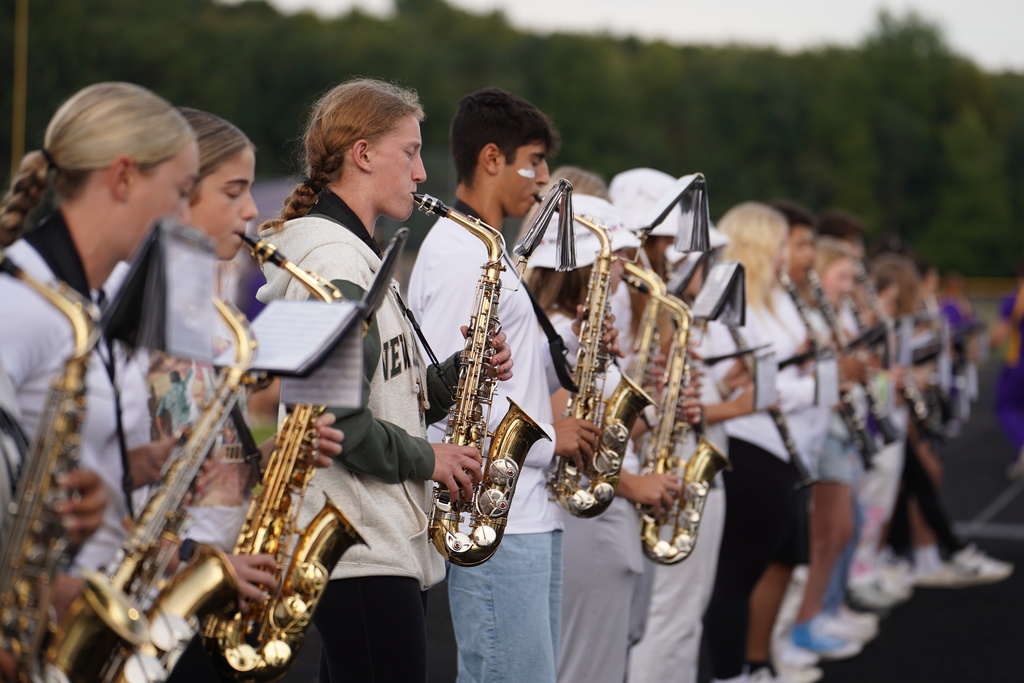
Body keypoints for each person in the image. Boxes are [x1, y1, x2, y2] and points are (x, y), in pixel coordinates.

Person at [254, 78, 510, 683]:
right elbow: (332, 419)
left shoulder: (350, 254)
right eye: (410, 152)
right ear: (362, 154)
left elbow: (386, 394)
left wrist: (457, 375)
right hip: (360, 543)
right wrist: (431, 457)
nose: (422, 173)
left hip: (370, 541)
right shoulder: (336, 263)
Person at [0, 82, 197, 679]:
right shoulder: (23, 303)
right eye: (182, 192)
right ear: (122, 178)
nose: (186, 218)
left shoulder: (77, 306)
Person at [408, 88, 600, 683]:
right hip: (493, 513)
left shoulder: (488, 249)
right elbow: (442, 401)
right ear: (492, 158)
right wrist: (547, 438)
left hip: (523, 507)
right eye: (535, 160)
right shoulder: (464, 254)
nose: (543, 179)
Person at [701, 203, 819, 683]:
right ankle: (733, 672)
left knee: (777, 562)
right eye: (778, 246)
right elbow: (747, 384)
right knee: (736, 576)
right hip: (747, 446)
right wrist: (817, 386)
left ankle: (757, 664)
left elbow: (767, 374)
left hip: (782, 446)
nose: (784, 257)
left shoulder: (774, 297)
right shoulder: (727, 295)